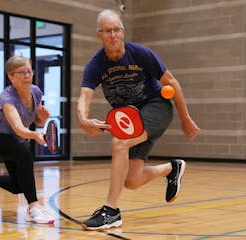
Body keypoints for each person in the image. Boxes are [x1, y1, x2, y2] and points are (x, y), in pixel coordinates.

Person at [76, 9, 200, 231]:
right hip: (130, 119)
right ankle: (171, 169)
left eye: (116, 30)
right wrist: (84, 119)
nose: (113, 35)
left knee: (119, 142)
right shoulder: (95, 65)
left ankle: (111, 211)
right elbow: (84, 96)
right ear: (99, 35)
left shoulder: (141, 53)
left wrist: (186, 118)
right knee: (131, 180)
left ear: (122, 32)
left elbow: (172, 82)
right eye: (107, 31)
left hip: (157, 107)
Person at [0, 56, 55, 224]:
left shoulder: (36, 91)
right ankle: (33, 208)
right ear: (11, 76)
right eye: (22, 72)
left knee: (19, 185)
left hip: (14, 140)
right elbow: (18, 128)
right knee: (25, 155)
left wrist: (41, 118)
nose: (27, 75)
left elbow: (36, 121)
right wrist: (35, 135)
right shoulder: (8, 98)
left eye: (29, 71)